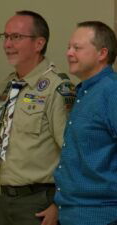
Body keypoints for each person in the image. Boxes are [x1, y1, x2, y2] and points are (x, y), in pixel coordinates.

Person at [0, 10, 76, 225]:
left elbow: (72, 151)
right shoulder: (8, 84)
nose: (7, 44)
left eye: (16, 37)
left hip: (38, 202)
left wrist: (60, 202)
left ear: (39, 43)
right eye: (6, 36)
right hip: (3, 196)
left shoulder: (57, 87)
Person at [54, 21, 117, 225]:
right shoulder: (83, 92)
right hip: (71, 212)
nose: (69, 53)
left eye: (77, 48)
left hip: (101, 215)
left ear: (102, 53)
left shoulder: (111, 92)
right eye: (68, 47)